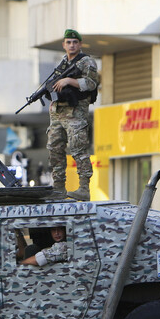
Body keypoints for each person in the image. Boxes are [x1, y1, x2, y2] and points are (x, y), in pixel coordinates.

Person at [46, 29, 99, 201]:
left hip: (76, 113)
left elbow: (92, 83)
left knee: (78, 150)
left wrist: (69, 81)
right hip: (58, 113)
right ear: (64, 45)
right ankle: (58, 188)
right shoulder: (62, 63)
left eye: (75, 42)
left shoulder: (87, 62)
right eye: (68, 42)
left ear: (80, 44)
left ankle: (84, 188)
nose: (72, 45)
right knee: (54, 149)